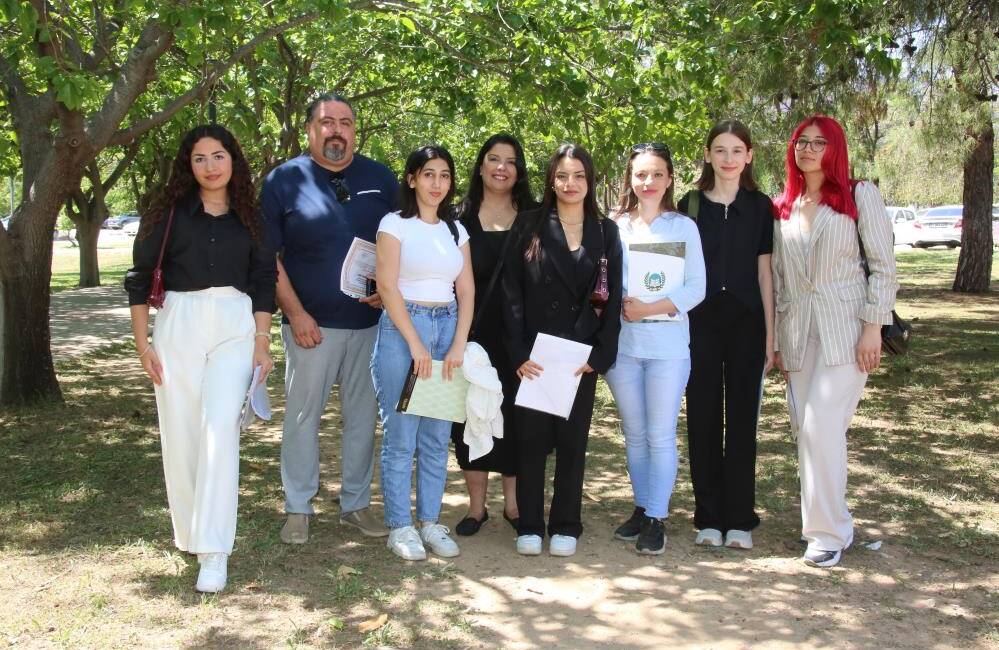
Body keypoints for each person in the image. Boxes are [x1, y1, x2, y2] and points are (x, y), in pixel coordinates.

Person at [124, 124, 277, 593]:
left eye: (218, 156)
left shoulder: (252, 216)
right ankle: (190, 533)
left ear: (234, 160)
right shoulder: (168, 213)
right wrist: (143, 345)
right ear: (187, 165)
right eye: (199, 158)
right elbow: (139, 277)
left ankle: (214, 550)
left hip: (234, 323)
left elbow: (263, 280)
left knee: (219, 429)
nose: (210, 166)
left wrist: (262, 341)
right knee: (182, 432)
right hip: (179, 323)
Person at [261, 93, 398, 543]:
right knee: (303, 417)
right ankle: (298, 507)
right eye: (326, 122)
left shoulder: (381, 178)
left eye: (345, 122)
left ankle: (355, 505)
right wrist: (295, 312)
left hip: (370, 326)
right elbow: (267, 257)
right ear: (310, 130)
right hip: (310, 328)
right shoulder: (284, 180)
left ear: (355, 131)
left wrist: (388, 291)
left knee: (362, 419)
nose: (336, 130)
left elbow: (403, 243)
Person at [771, 115, 897, 568]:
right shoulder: (783, 205)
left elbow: (883, 266)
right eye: (801, 141)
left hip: (847, 331)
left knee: (820, 425)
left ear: (835, 149)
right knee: (806, 432)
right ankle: (826, 523)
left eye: (818, 142)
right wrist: (778, 340)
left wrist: (873, 326)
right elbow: (780, 278)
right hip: (798, 332)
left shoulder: (860, 194)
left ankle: (828, 534)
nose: (807, 149)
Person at [502, 144, 623, 558]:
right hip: (535, 355)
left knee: (573, 443)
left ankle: (567, 523)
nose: (571, 184)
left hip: (578, 357)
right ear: (551, 180)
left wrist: (599, 355)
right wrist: (518, 352)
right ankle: (530, 524)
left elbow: (613, 296)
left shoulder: (605, 231)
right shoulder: (529, 224)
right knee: (531, 442)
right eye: (562, 176)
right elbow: (510, 291)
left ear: (590, 181)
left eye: (579, 176)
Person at [372, 145, 474, 561]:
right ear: (412, 179)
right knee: (401, 436)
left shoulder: (456, 230)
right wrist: (415, 343)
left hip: (447, 328)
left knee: (435, 437)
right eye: (429, 174)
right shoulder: (394, 224)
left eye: (445, 175)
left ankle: (430, 522)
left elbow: (466, 290)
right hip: (403, 332)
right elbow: (386, 285)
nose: (437, 183)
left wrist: (458, 343)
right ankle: (401, 526)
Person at [677, 120, 774, 550]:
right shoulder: (691, 204)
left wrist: (771, 336)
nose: (728, 158)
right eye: (720, 150)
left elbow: (765, 273)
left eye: (737, 150)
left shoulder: (761, 206)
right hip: (699, 324)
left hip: (747, 324)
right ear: (708, 155)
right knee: (702, 418)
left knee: (741, 421)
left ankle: (739, 518)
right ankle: (708, 518)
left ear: (748, 156)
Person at [605, 143, 706, 555]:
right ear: (630, 178)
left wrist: (648, 308)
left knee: (661, 434)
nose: (648, 182)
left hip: (668, 349)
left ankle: (657, 517)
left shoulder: (683, 227)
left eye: (657, 174)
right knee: (634, 434)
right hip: (623, 349)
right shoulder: (615, 225)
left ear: (669, 179)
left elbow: (696, 288)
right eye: (640, 174)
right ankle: (642, 506)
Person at [450, 134, 538, 536]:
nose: (502, 167)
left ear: (519, 170)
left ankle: (514, 507)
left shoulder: (536, 217)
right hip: (471, 335)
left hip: (522, 338)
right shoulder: (457, 218)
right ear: (481, 165)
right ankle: (476, 508)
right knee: (471, 417)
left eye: (510, 161)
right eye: (494, 159)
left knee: (518, 420)